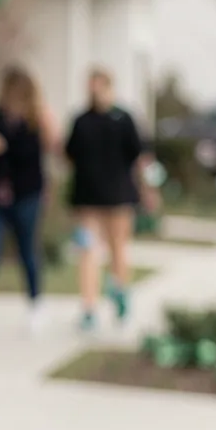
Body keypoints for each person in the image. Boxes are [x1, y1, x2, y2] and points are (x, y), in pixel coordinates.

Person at [0, 64, 58, 334]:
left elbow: (42, 152)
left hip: (26, 194)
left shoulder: (38, 119)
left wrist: (5, 145)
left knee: (28, 251)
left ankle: (36, 305)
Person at [65, 68, 155, 329]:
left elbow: (140, 157)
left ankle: (119, 290)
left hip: (119, 196)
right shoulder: (81, 120)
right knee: (88, 252)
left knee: (118, 248)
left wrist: (149, 189)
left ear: (109, 88)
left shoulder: (124, 119)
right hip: (88, 198)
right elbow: (70, 155)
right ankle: (89, 307)